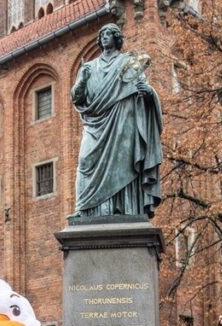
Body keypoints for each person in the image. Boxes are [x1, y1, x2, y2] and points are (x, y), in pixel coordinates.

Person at [71, 23, 163, 218]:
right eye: (102, 34)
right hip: (95, 123)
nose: (104, 36)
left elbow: (142, 87)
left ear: (116, 38)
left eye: (109, 33)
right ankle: (84, 208)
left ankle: (125, 208)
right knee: (85, 160)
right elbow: (77, 98)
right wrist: (82, 80)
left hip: (123, 120)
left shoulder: (128, 62)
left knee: (123, 165)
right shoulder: (89, 67)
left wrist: (149, 93)